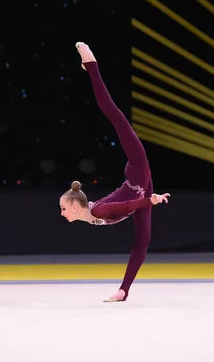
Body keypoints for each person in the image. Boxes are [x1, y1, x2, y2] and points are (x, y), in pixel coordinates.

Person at [59, 42, 170, 302]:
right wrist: (147, 197)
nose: (62, 213)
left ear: (75, 207)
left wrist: (149, 201)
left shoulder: (97, 211)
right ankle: (123, 291)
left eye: (64, 208)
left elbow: (129, 204)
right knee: (143, 240)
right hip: (142, 185)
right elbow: (129, 204)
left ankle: (92, 66)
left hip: (138, 169)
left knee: (115, 116)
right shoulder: (92, 213)